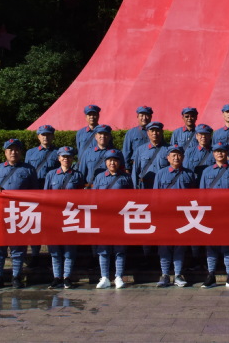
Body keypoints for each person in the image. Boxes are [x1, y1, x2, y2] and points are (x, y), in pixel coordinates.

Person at [0, 139, 37, 289]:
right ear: (5, 152)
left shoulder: (28, 170)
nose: (13, 152)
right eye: (10, 150)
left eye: (16, 150)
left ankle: (16, 276)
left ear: (21, 152)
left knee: (18, 248)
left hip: (19, 214)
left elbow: (36, 191)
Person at [199, 142, 229, 289]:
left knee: (228, 246)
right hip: (212, 214)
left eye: (222, 151)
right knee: (211, 246)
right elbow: (202, 194)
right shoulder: (206, 172)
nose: (220, 154)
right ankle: (211, 275)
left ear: (227, 153)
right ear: (213, 154)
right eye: (217, 151)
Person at [153, 145, 197, 288]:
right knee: (164, 246)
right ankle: (165, 274)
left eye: (179, 155)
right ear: (168, 158)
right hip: (165, 215)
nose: (176, 158)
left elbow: (195, 196)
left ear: (183, 157)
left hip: (183, 216)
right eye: (173, 155)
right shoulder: (160, 174)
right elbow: (155, 196)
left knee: (180, 246)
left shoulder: (189, 174)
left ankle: (178, 274)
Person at [43, 146, 86, 289]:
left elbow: (82, 197)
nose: (66, 159)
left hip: (71, 215)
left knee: (69, 249)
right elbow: (45, 195)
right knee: (55, 249)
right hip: (54, 216)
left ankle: (67, 277)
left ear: (72, 158)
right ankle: (57, 277)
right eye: (63, 156)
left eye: (68, 156)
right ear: (59, 158)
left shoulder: (77, 175)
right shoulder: (51, 175)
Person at [93, 149, 134, 289]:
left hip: (120, 218)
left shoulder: (126, 178)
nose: (112, 163)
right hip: (103, 218)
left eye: (115, 160)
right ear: (105, 162)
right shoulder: (99, 177)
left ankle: (118, 277)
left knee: (119, 248)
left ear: (119, 162)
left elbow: (131, 198)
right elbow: (94, 197)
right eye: (110, 160)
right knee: (103, 249)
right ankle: (104, 277)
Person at [25, 124, 60, 266]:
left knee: (52, 224)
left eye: (48, 134)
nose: (45, 137)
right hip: (35, 191)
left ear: (52, 136)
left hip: (52, 193)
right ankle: (35, 253)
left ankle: (54, 254)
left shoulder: (58, 152)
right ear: (38, 137)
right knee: (35, 224)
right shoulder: (30, 153)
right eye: (43, 135)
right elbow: (26, 171)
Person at [131, 121, 170, 189]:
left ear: (161, 132)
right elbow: (135, 171)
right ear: (148, 133)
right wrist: (134, 188)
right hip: (145, 186)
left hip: (162, 186)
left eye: (157, 130)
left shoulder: (168, 149)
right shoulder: (140, 150)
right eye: (152, 131)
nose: (154, 133)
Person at [123, 106, 153, 171]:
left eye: (147, 115)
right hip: (136, 166)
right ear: (137, 117)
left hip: (152, 165)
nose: (144, 118)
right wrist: (127, 168)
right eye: (141, 115)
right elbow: (126, 152)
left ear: (151, 117)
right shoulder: (131, 133)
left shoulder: (155, 132)